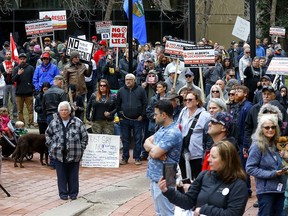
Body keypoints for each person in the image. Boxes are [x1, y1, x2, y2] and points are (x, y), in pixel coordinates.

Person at [159, 140, 248, 216]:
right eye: (209, 156)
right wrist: (168, 191)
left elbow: (233, 214)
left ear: (226, 161)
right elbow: (188, 201)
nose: (209, 160)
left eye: (213, 157)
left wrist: (204, 210)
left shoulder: (238, 185)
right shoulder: (204, 176)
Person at [144, 99, 182, 216]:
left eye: (156, 114)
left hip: (166, 176)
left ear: (164, 115)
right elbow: (146, 143)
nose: (154, 117)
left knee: (166, 212)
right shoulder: (163, 129)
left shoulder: (173, 132)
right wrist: (154, 148)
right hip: (156, 176)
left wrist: (154, 150)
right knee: (159, 212)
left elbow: (154, 153)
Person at [45, 101, 88, 200]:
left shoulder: (77, 122)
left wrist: (81, 149)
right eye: (62, 110)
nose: (64, 112)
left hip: (74, 154)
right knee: (61, 176)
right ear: (59, 111)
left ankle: (73, 193)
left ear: (69, 111)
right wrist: (52, 147)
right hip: (59, 155)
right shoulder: (54, 122)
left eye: (66, 110)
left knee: (73, 176)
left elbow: (84, 137)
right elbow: (48, 135)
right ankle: (63, 194)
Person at [246, 114, 287, 216]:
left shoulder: (276, 144)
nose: (270, 130)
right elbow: (250, 168)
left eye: (273, 127)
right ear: (261, 129)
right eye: (267, 127)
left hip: (280, 189)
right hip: (265, 191)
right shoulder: (257, 146)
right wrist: (272, 174)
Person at [177, 91, 210, 179]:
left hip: (197, 154)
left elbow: (208, 135)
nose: (187, 101)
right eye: (185, 100)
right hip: (183, 152)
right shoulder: (183, 112)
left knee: (197, 180)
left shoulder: (205, 116)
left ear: (197, 101)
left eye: (190, 99)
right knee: (184, 179)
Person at [117, 73, 147, 165]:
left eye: (130, 79)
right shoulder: (121, 91)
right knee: (125, 139)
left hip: (137, 119)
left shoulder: (141, 90)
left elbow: (145, 104)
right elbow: (117, 105)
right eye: (126, 79)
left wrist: (142, 115)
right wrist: (120, 116)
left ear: (134, 80)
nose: (128, 81)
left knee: (138, 139)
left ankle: (137, 157)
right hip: (124, 120)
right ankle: (125, 157)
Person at [12, 53, 34, 128]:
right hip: (19, 93)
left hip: (28, 92)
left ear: (26, 59)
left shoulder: (30, 68)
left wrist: (32, 87)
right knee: (19, 110)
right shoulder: (16, 68)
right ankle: (21, 124)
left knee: (30, 110)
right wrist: (18, 74)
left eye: (23, 59)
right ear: (19, 60)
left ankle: (31, 124)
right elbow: (13, 80)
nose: (22, 60)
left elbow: (33, 79)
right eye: (21, 59)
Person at [0, 50, 18, 119]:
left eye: (9, 54)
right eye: (7, 54)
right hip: (5, 84)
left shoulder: (15, 63)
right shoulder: (2, 64)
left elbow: (17, 73)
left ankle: (15, 114)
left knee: (14, 101)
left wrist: (12, 72)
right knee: (5, 101)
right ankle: (6, 115)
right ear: (5, 56)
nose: (8, 55)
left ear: (11, 55)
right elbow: (1, 75)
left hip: (13, 84)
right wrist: (6, 72)